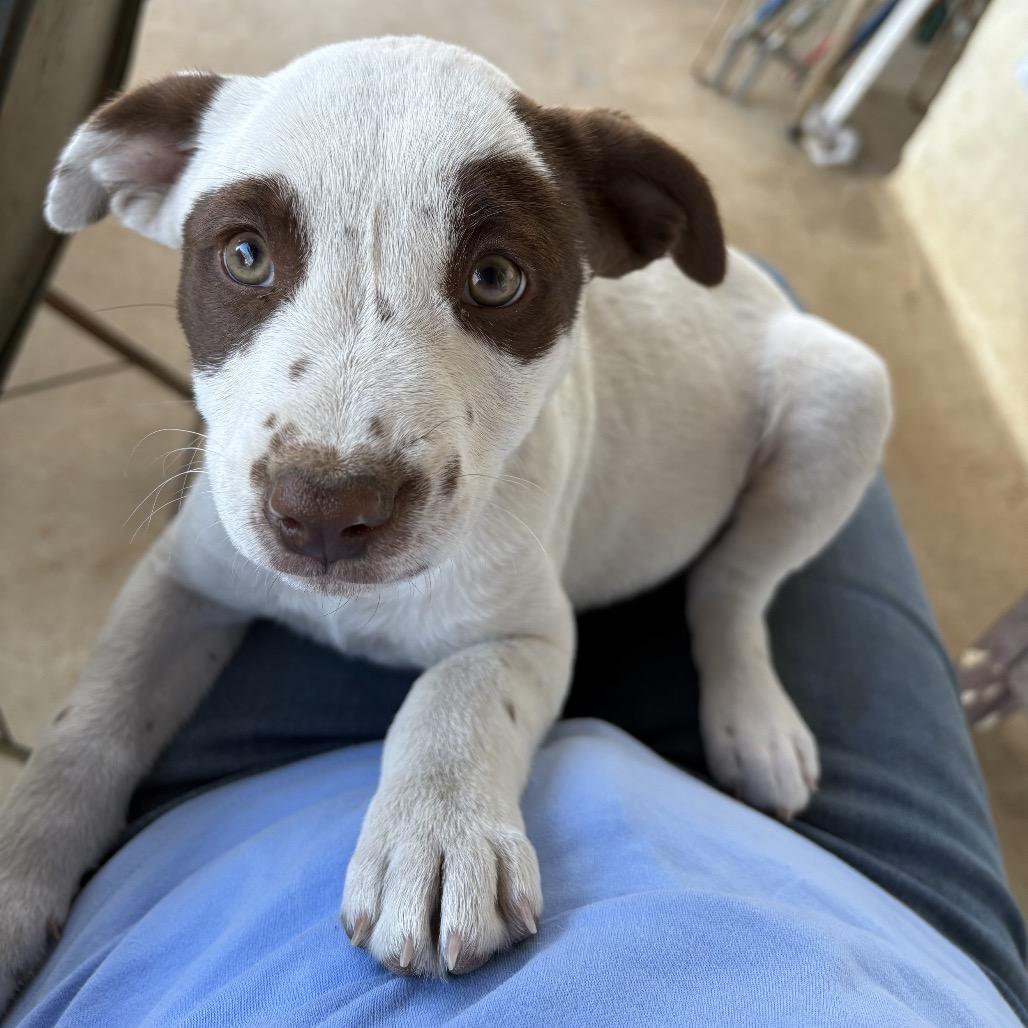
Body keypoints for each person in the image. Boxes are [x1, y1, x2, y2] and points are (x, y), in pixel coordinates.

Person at [5, 277, 1026, 1027]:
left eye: (490, 278)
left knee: (840, 379)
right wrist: (44, 825)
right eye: (244, 253)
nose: (328, 464)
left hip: (695, 492)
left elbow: (520, 630)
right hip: (900, 952)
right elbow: (190, 580)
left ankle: (732, 602)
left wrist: (453, 764)